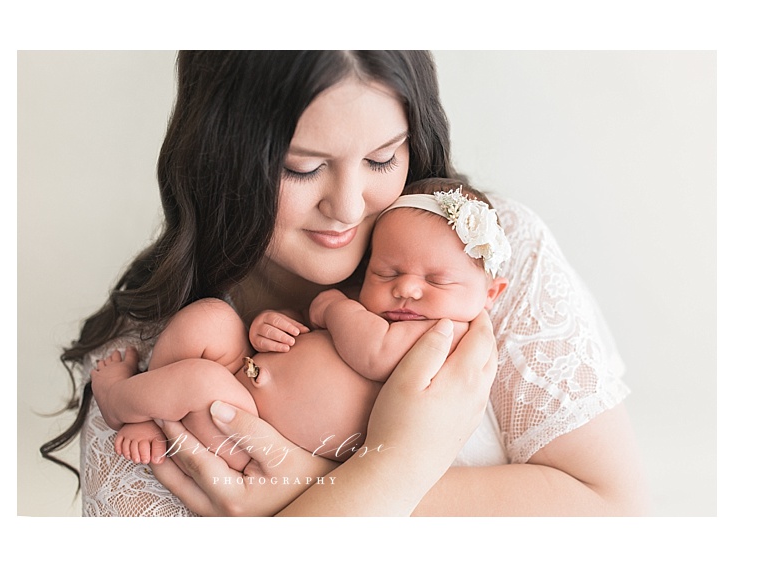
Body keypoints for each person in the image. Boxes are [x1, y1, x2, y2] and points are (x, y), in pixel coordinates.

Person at [42, 51, 647, 517]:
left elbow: (611, 511)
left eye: (382, 159)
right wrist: (386, 471)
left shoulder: (482, 255)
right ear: (222, 159)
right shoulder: (153, 359)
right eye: (302, 168)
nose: (349, 207)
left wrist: (332, 482)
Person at [89, 180, 511, 473]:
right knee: (210, 318)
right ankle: (152, 405)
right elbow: (313, 337)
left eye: (437, 281)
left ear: (491, 292)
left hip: (255, 436)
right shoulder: (369, 308)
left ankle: (119, 399)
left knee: (199, 380)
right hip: (245, 370)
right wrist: (271, 326)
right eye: (386, 272)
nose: (406, 289)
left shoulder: (451, 335)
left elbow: (376, 355)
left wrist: (331, 306)